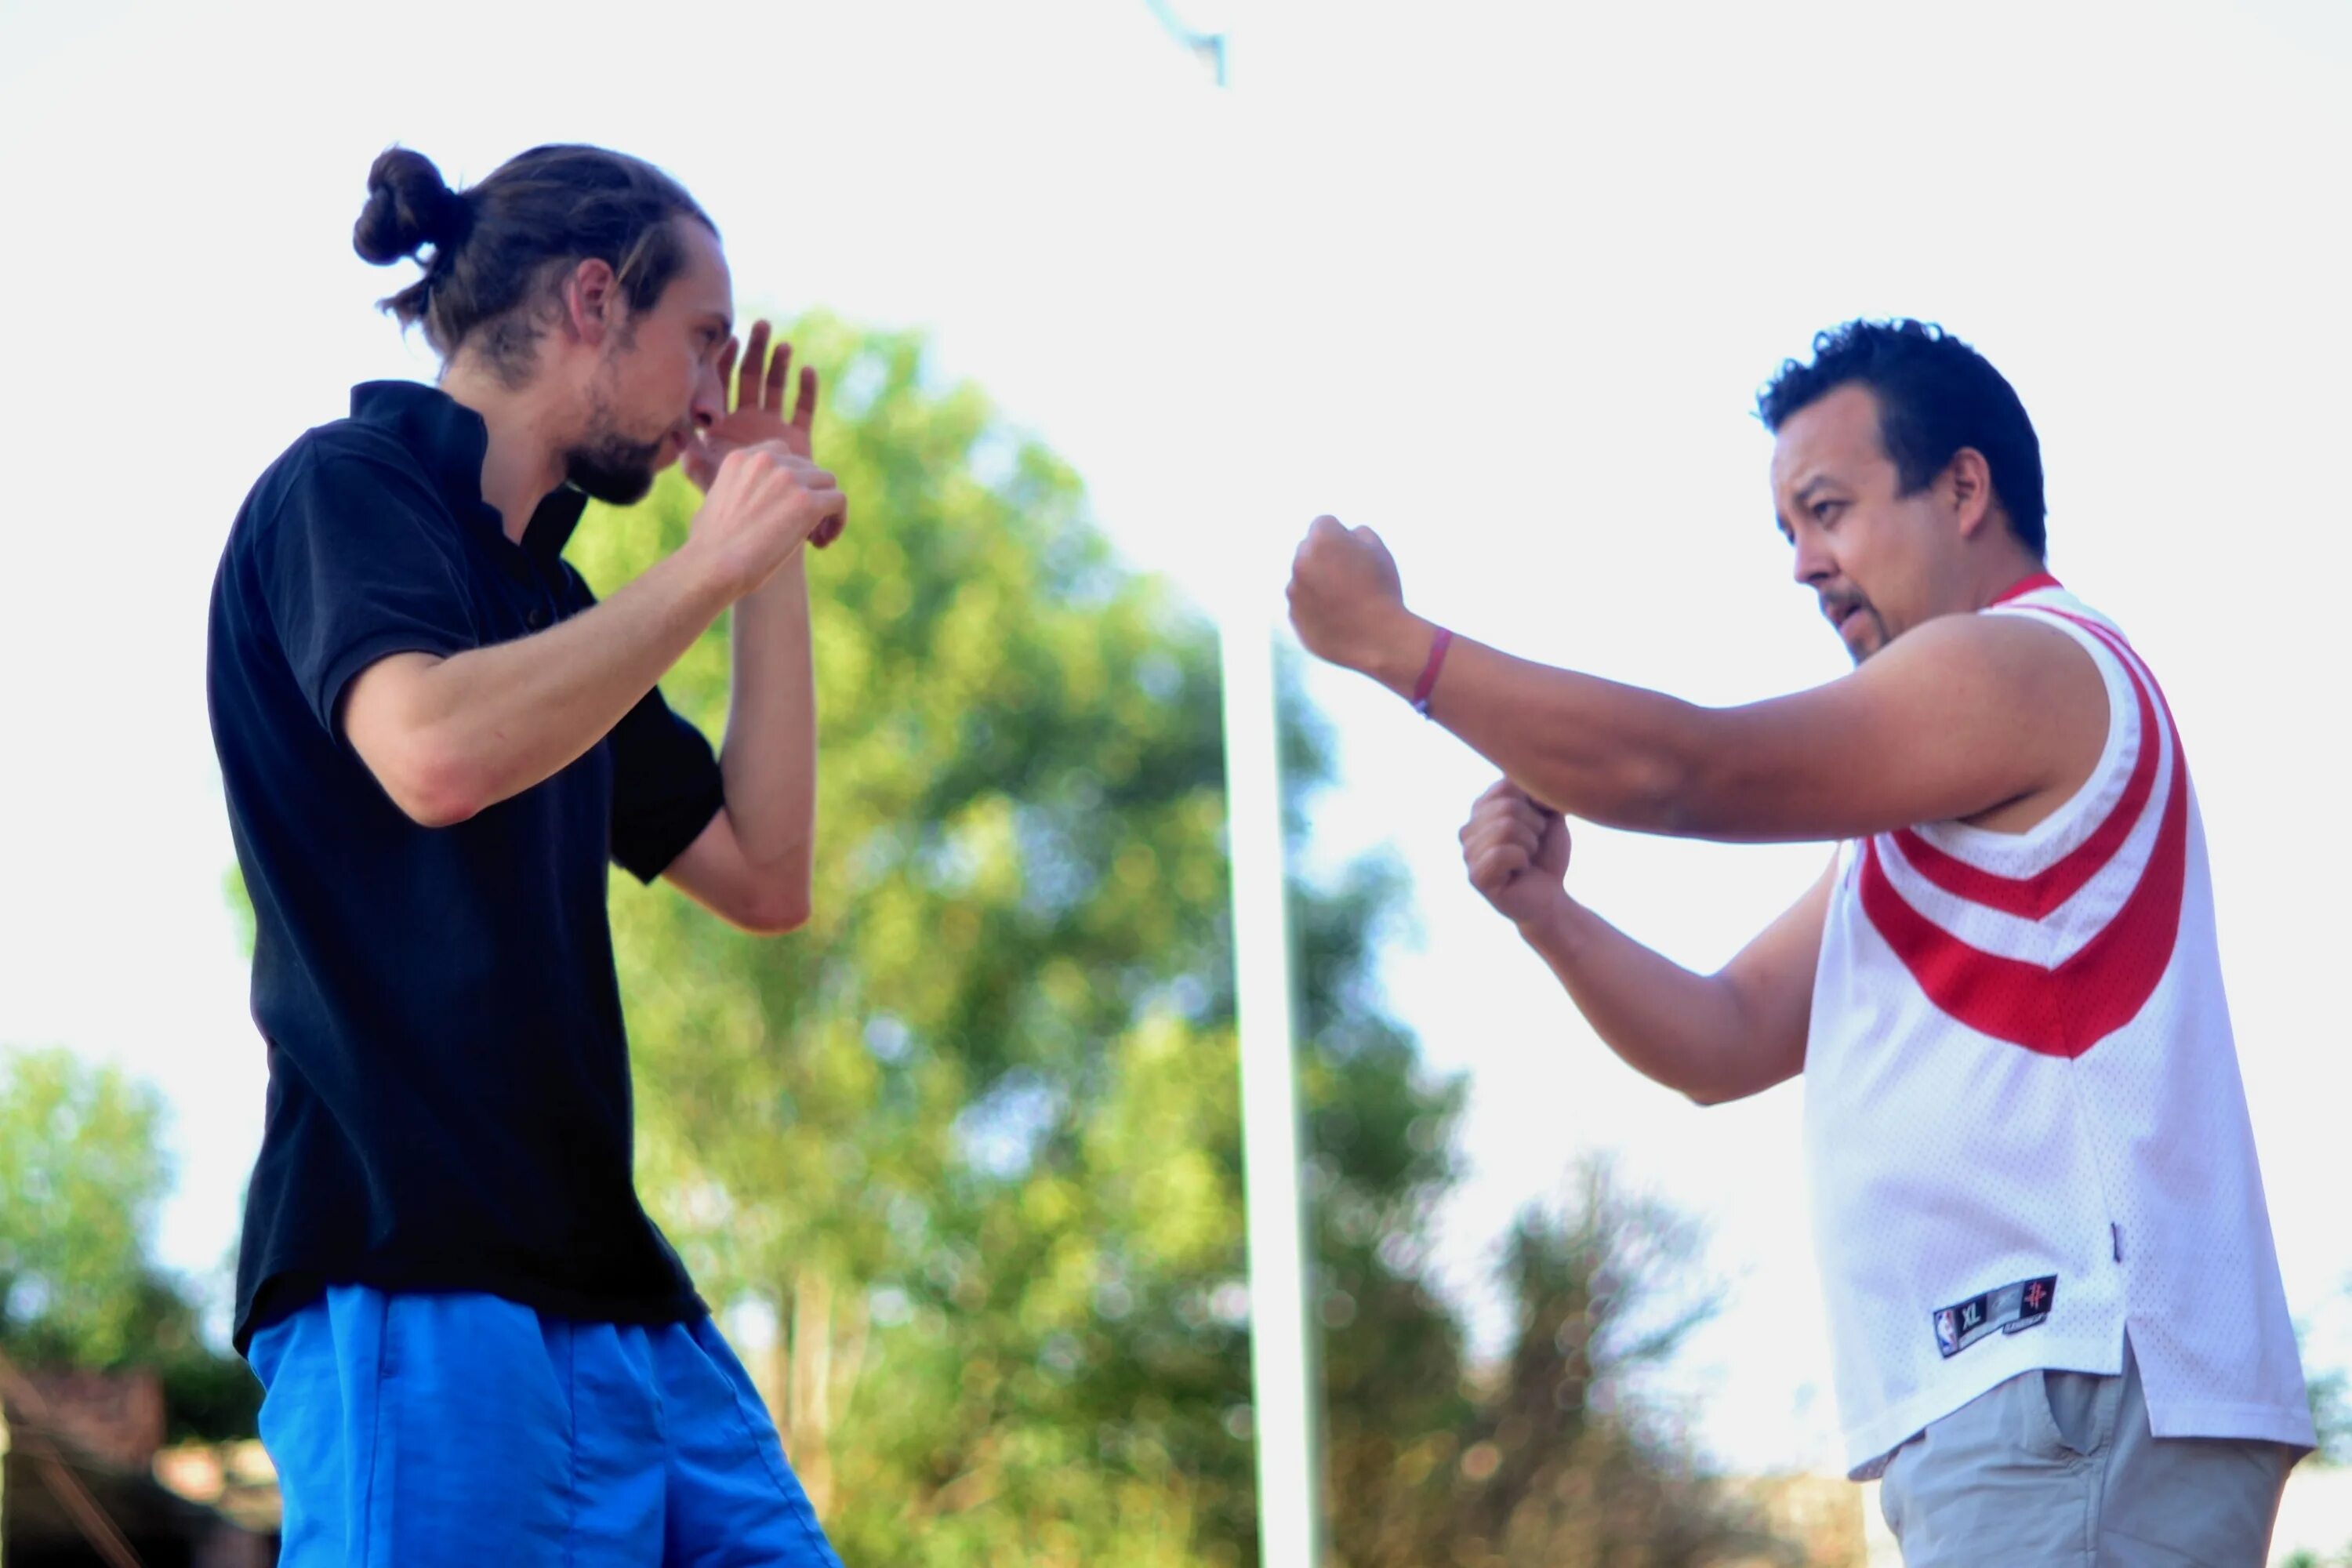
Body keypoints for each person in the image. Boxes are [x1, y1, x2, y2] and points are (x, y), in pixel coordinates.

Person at [1283, 319, 2314, 1563]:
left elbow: (1683, 769)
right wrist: (1548, 916)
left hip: (2073, 1381)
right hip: (2031, 1397)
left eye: (1826, 510)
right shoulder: (1943, 797)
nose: (1802, 565)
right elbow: (1721, 1040)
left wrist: (1398, 646)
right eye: (1786, 529)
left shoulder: (2027, 664)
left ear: (1964, 487)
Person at [206, 143, 848, 1566]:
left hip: (617, 1299)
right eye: (700, 342)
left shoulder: (555, 604)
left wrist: (767, 546)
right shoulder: (343, 490)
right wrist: (706, 564)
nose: (707, 391)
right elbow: (432, 752)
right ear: (593, 301)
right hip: (413, 1266)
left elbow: (765, 872)